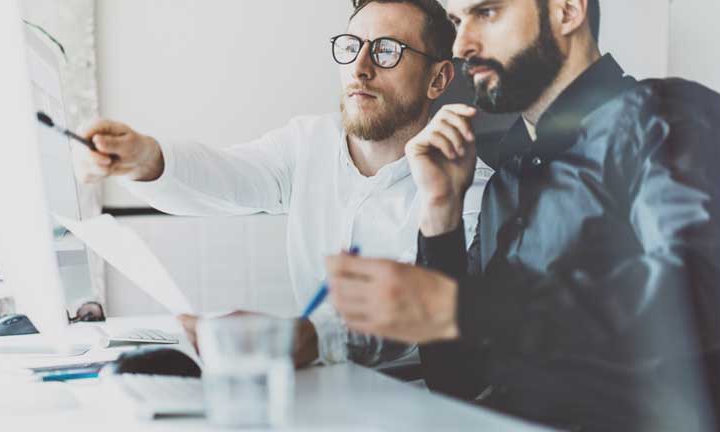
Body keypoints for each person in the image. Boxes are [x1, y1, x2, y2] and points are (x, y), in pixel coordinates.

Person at [326, 0, 720, 429]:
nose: (462, 44)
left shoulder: (667, 118)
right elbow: (456, 379)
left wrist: (466, 309)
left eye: (487, 12)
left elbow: (701, 291)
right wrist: (441, 211)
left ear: (566, 10)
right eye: (457, 21)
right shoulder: (505, 181)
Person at [74, 0, 492, 368]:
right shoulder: (307, 141)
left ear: (438, 79)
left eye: (387, 51)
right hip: (321, 391)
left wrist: (316, 338)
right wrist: (147, 159)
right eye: (351, 47)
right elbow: (228, 175)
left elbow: (425, 307)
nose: (360, 68)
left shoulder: (469, 185)